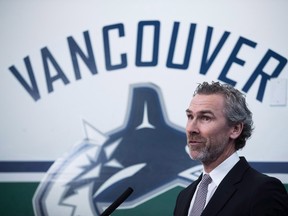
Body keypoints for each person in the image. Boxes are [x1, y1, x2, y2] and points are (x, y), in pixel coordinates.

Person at [174, 81, 288, 216]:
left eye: (205, 118)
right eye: (190, 116)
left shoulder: (264, 191)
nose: (191, 128)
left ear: (235, 129)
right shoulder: (184, 196)